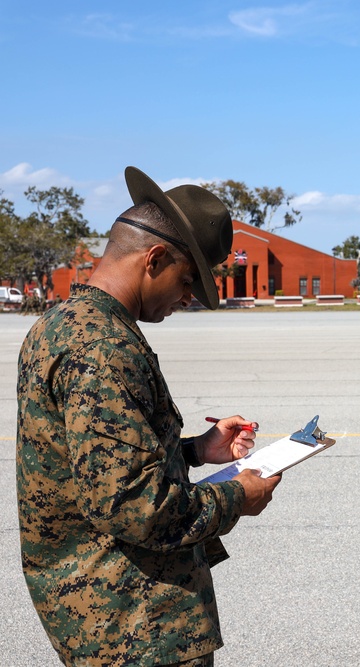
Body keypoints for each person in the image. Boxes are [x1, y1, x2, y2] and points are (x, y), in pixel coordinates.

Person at [16, 166, 282, 666]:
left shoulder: (62, 324)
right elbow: (138, 507)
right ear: (154, 257)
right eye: (187, 281)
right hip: (134, 625)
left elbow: (91, 466)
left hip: (100, 613)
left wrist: (195, 451)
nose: (189, 299)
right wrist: (237, 496)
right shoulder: (103, 348)